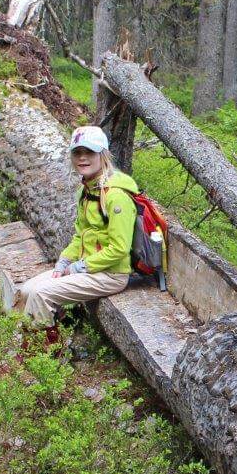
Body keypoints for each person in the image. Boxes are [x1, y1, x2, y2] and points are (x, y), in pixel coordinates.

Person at [18, 125, 138, 343]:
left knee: (40, 294)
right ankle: (57, 330)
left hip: (110, 275)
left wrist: (80, 267)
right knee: (27, 290)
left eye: (90, 152)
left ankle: (45, 354)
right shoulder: (86, 191)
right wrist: (64, 260)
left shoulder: (116, 196)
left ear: (103, 154)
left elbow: (119, 249)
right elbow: (80, 235)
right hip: (88, 268)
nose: (82, 158)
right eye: (77, 153)